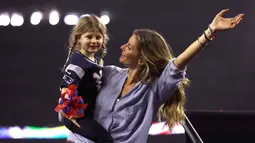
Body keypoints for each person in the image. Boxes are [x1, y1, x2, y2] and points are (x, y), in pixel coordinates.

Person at [67, 9, 244, 143]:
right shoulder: (109, 73)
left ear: (143, 58)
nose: (122, 46)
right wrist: (67, 106)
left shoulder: (154, 87)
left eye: (129, 46)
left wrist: (209, 31)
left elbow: (178, 63)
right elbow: (74, 78)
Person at [57, 15, 113, 143]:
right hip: (78, 117)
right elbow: (66, 88)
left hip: (90, 114)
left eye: (98, 37)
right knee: (105, 139)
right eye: (89, 37)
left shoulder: (96, 61)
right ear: (79, 38)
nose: (94, 41)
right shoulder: (78, 61)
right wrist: (68, 111)